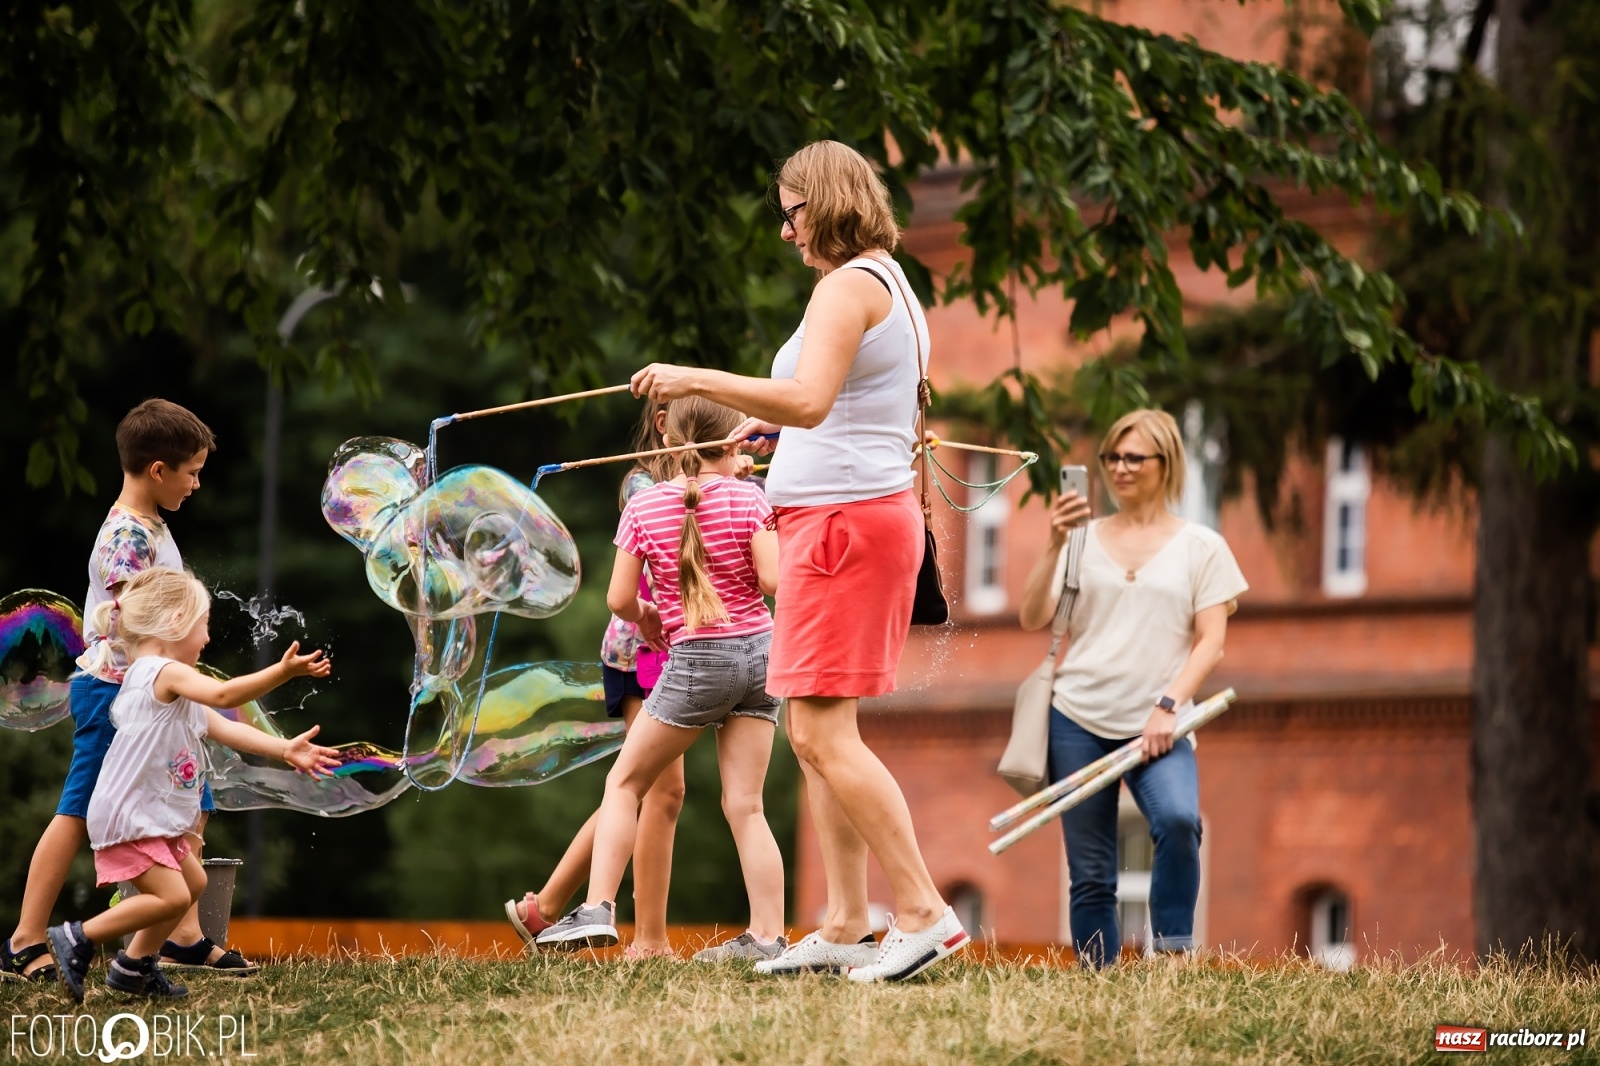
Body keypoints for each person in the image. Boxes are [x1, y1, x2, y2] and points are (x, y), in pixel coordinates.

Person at [628, 140, 967, 982]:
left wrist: (692, 378)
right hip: (845, 521)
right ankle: (849, 921)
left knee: (818, 735)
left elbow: (812, 398)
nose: (786, 232)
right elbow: (840, 407)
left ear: (825, 202)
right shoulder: (885, 281)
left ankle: (923, 911)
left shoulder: (848, 286)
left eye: (792, 212)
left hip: (843, 530)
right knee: (826, 733)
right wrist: (778, 435)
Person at [0, 399, 256, 984]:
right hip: (117, 694)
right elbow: (133, 621)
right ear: (159, 470)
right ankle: (24, 939)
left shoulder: (152, 528)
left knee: (191, 802)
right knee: (79, 808)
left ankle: (181, 938)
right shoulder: (126, 538)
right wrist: (179, 671)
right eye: (191, 472)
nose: (196, 483)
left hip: (152, 693)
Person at [536, 396, 788, 962]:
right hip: (762, 658)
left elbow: (619, 598)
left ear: (669, 442)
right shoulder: (751, 495)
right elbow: (773, 580)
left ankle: (598, 907)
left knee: (625, 784)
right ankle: (770, 937)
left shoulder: (643, 507)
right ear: (734, 443)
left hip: (696, 661)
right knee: (747, 806)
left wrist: (647, 617)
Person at [1017, 408, 1248, 968]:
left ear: (1165, 464)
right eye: (1111, 458)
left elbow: (1211, 643)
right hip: (1076, 717)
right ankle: (1100, 979)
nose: (1119, 469)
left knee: (1176, 820)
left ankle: (1171, 955)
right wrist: (1052, 543)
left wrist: (1169, 706)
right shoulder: (1080, 540)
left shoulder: (1202, 547)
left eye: (1133, 458)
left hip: (1160, 725)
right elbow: (1033, 617)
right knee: (1091, 870)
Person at [44, 567, 339, 1002]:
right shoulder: (158, 671)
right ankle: (78, 936)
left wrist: (284, 750)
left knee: (193, 885)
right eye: (204, 626)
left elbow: (220, 723)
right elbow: (224, 696)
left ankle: (133, 966)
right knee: (169, 897)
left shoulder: (168, 684)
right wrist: (282, 672)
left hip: (149, 815)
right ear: (175, 622)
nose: (207, 639)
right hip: (130, 815)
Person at [505, 401, 687, 960]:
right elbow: (673, 545)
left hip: (677, 650)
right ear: (664, 426)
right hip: (641, 654)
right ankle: (647, 939)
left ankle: (546, 908)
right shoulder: (643, 483)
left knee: (652, 786)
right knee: (656, 788)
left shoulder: (708, 477)